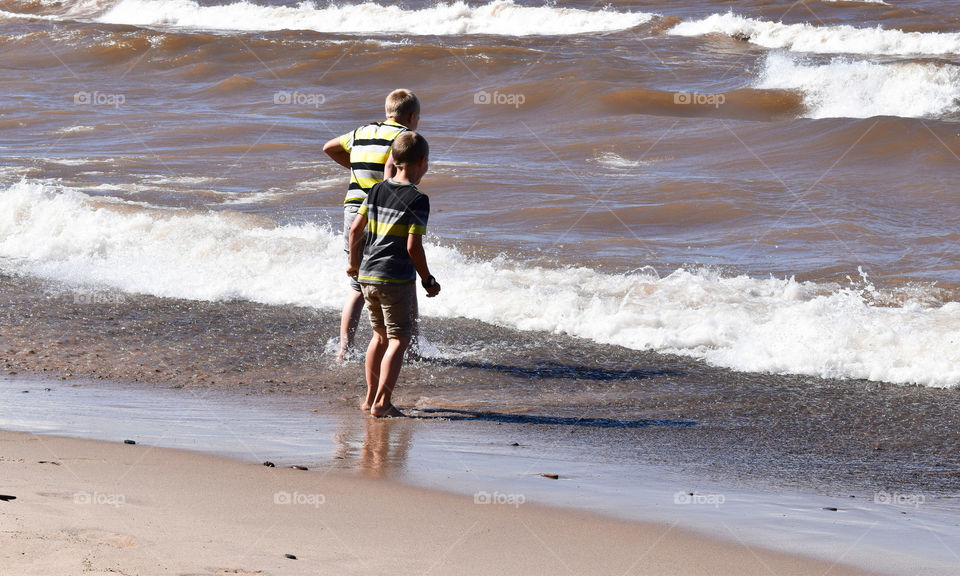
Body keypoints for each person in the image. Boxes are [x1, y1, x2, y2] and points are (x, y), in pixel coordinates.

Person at [347, 131, 440, 418]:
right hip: (395, 278)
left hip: (367, 275)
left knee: (378, 337)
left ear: (394, 160)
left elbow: (354, 231)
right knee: (399, 339)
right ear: (422, 162)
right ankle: (382, 403)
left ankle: (369, 398)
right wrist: (427, 279)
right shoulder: (418, 199)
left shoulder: (375, 190)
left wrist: (353, 264)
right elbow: (413, 246)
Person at [324, 89, 420, 362]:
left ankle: (344, 348)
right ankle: (410, 350)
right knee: (404, 279)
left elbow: (329, 147)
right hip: (383, 212)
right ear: (412, 117)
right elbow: (399, 176)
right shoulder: (404, 138)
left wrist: (355, 168)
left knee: (356, 285)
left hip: (353, 210)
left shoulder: (362, 131)